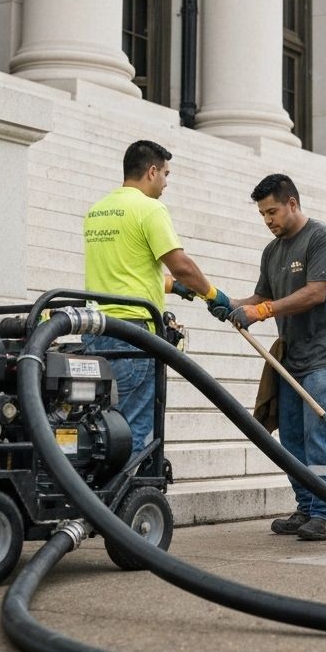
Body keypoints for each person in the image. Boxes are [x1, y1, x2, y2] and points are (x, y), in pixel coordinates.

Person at [211, 174, 326, 541]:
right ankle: (306, 506)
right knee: (290, 436)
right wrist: (226, 302)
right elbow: (260, 298)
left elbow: (316, 293)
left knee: (317, 433)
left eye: (272, 211)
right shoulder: (272, 251)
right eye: (262, 214)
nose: (268, 220)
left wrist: (263, 312)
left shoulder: (323, 239)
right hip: (291, 355)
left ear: (292, 203)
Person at [82, 139, 230, 455]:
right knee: (135, 426)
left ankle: (96, 495)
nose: (165, 184)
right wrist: (213, 295)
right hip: (133, 334)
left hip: (97, 332)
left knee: (106, 423)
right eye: (165, 174)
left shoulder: (97, 211)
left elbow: (125, 271)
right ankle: (128, 500)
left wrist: (172, 287)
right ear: (151, 171)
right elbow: (181, 265)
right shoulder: (149, 208)